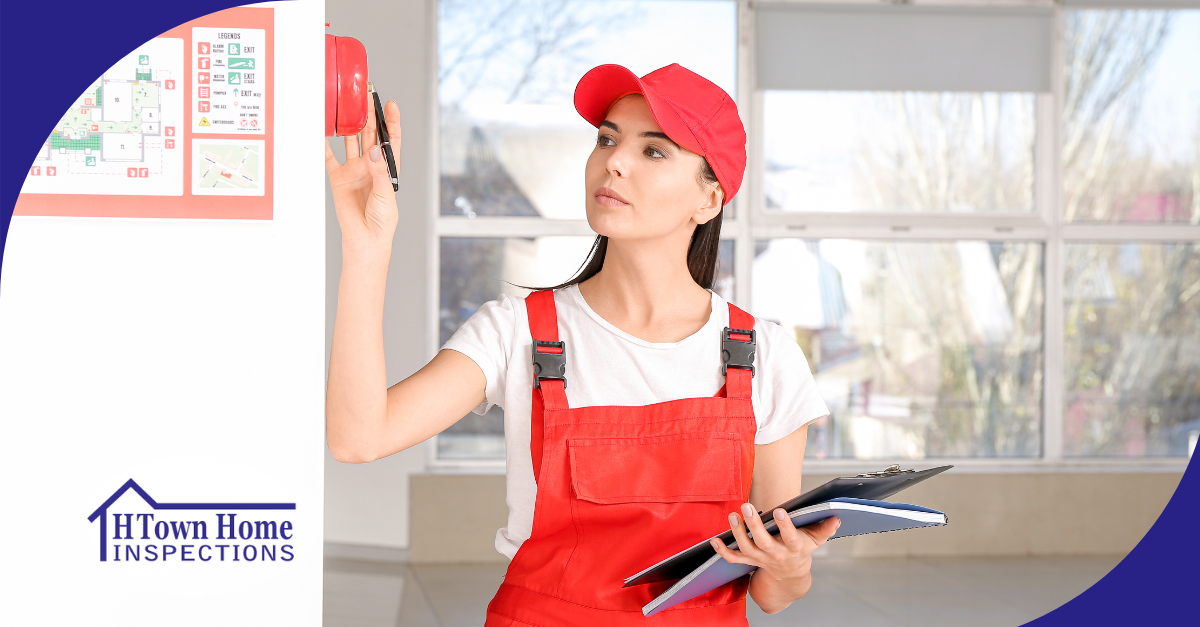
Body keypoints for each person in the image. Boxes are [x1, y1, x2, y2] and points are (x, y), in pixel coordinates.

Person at [324, 62, 835, 625]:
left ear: (709, 199)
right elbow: (358, 438)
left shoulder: (765, 355)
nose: (613, 161)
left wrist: (791, 568)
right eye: (607, 139)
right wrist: (367, 246)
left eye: (654, 151)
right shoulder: (516, 331)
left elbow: (770, 591)